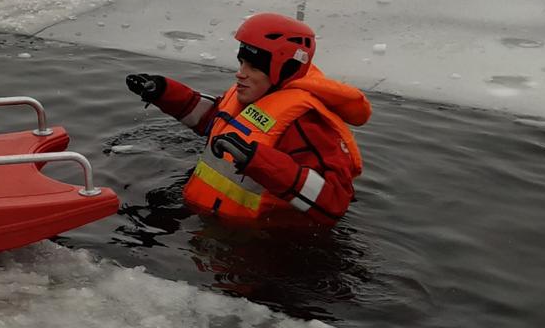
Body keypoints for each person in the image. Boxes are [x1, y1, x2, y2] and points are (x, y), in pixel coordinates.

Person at [125, 13, 369, 227]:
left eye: (253, 67)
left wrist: (258, 160)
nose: (240, 73)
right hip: (214, 223)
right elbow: (215, 120)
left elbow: (336, 201)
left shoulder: (306, 124)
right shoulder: (253, 96)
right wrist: (164, 94)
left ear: (281, 70)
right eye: (241, 62)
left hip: (265, 246)